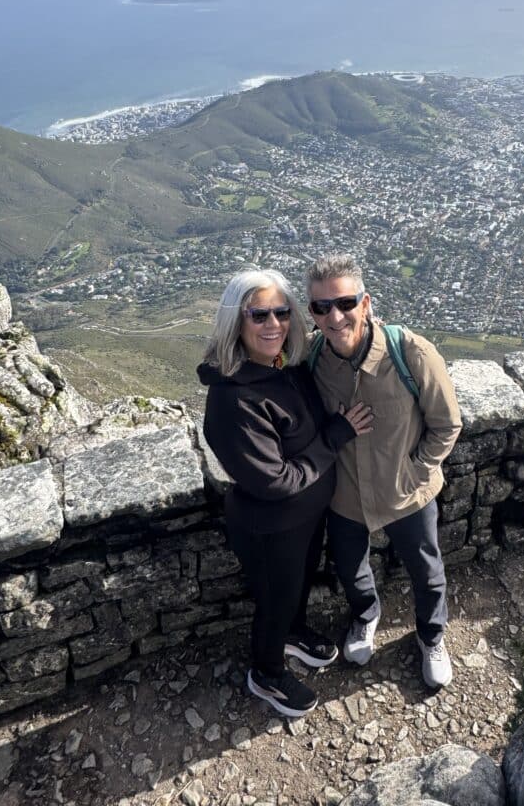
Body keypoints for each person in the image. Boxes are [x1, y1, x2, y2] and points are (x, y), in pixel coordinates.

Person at [198, 268, 373, 717]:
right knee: (275, 600)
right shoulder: (234, 399)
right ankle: (267, 673)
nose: (273, 324)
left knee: (295, 587)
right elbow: (274, 481)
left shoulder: (281, 367)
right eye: (259, 315)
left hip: (306, 517)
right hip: (271, 526)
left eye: (281, 312)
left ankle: (292, 632)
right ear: (236, 321)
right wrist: (334, 438)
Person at [306, 254, 462, 688]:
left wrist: (417, 473)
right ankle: (365, 617)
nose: (334, 316)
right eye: (320, 307)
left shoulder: (411, 352)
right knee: (350, 567)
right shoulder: (314, 358)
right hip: (346, 494)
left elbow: (447, 423)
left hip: (406, 492)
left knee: (426, 570)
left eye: (345, 303)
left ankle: (432, 636)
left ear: (366, 302)